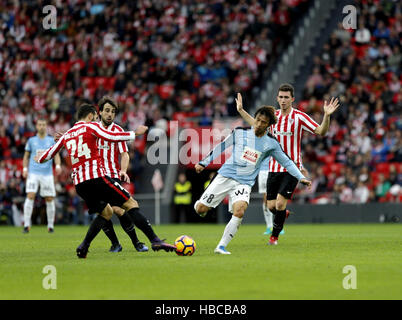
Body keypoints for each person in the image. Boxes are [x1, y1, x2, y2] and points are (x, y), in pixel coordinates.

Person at [36, 104, 175, 258]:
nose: (96, 119)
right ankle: (155, 240)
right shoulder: (91, 127)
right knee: (131, 204)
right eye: (94, 117)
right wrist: (135, 133)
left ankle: (84, 246)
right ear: (90, 116)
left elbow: (47, 155)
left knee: (106, 212)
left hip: (80, 185)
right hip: (97, 177)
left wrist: (39, 158)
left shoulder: (67, 134)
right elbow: (112, 137)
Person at [194, 94, 312, 254]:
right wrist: (204, 162)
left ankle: (221, 246)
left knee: (240, 210)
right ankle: (201, 206)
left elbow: (287, 162)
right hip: (225, 176)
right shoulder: (240, 132)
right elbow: (221, 147)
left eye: (263, 122)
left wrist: (301, 177)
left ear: (269, 125)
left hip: (244, 183)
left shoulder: (271, 143)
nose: (259, 124)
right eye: (257, 120)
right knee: (201, 209)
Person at [237, 84, 339, 244]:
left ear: (292, 99)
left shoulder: (299, 117)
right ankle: (282, 215)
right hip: (274, 167)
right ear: (277, 98)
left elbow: (321, 131)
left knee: (279, 203)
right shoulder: (273, 118)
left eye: (286, 97)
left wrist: (326, 116)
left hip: (292, 168)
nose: (283, 100)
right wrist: (241, 110)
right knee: (271, 206)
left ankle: (274, 238)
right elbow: (255, 124)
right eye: (281, 97)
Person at [96, 96, 148, 253]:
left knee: (118, 210)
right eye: (107, 110)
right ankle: (115, 244)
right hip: (95, 176)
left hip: (112, 176)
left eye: (113, 111)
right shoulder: (93, 129)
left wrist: (123, 171)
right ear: (100, 112)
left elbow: (124, 154)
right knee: (104, 212)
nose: (110, 114)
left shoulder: (118, 131)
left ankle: (136, 242)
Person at [22, 118, 62, 233]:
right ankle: (26, 225)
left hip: (47, 174)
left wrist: (58, 165)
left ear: (46, 126)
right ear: (36, 126)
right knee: (30, 196)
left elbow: (56, 155)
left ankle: (50, 226)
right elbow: (26, 156)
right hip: (33, 172)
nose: (42, 126)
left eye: (44, 124)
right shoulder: (31, 140)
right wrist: (25, 169)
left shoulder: (51, 140)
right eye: (40, 124)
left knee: (49, 198)